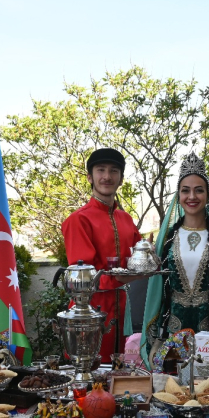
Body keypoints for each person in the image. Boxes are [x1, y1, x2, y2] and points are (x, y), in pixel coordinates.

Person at [140, 152, 209, 369]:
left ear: (208, 195)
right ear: (178, 195)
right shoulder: (167, 238)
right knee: (173, 386)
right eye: (185, 190)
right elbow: (157, 285)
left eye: (199, 190)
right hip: (174, 323)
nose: (192, 196)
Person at [62, 148, 142, 363]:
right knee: (91, 375)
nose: (107, 176)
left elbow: (141, 259)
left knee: (122, 374)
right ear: (90, 176)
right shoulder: (78, 220)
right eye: (101, 170)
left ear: (121, 178)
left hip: (124, 309)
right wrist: (120, 279)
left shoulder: (126, 219)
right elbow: (82, 276)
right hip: (89, 310)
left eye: (114, 171)